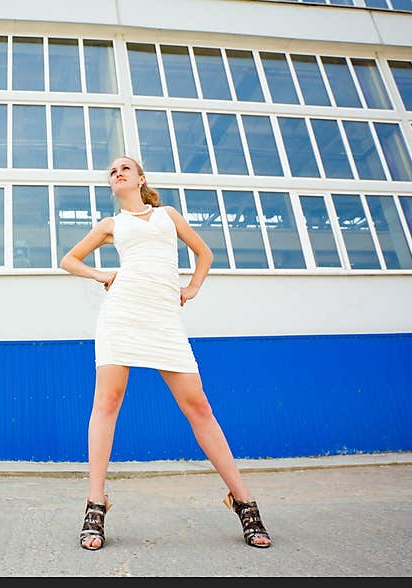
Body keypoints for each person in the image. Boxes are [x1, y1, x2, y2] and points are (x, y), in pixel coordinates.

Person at [59, 156, 272, 551]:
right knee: (107, 402)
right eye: (112, 171)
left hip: (163, 319)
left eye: (126, 168)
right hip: (120, 315)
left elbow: (204, 254)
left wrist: (191, 290)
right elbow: (68, 260)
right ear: (112, 185)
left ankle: (243, 500)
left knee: (200, 408)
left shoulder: (167, 215)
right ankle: (95, 502)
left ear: (141, 178)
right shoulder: (111, 226)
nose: (118, 173)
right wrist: (101, 274)